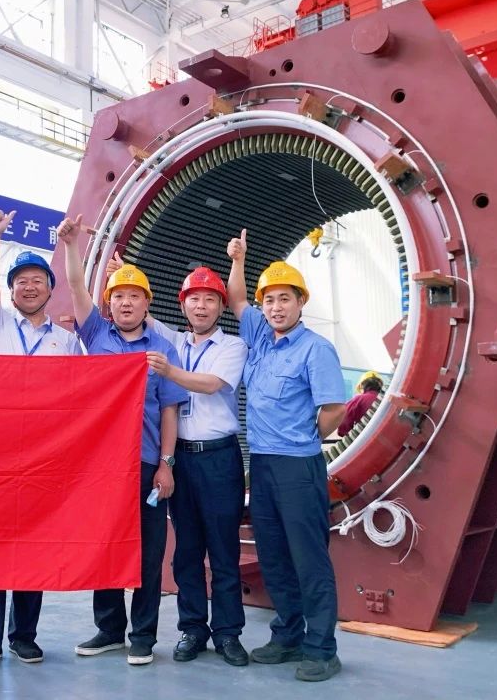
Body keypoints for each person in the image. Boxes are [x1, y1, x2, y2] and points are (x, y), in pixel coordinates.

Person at [0, 211, 82, 671]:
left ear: (50, 289)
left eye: (37, 280)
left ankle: (24, 636)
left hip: (43, 458)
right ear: (10, 291)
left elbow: (78, 396)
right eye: (20, 281)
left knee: (34, 545)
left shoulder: (67, 342)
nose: (29, 287)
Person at [56, 215, 188, 666]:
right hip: (101, 466)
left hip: (146, 463)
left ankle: (143, 636)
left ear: (147, 303)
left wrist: (167, 463)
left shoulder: (162, 350)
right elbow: (76, 286)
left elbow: (169, 410)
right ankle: (109, 629)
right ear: (108, 305)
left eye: (134, 295)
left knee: (149, 553)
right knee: (106, 545)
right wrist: (71, 246)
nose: (126, 302)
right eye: (118, 296)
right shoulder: (96, 334)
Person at [225, 229, 347, 683]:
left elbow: (333, 409)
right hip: (262, 465)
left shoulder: (316, 349)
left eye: (284, 299)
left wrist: (303, 438)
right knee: (274, 554)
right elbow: (237, 299)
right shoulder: (259, 336)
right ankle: (288, 635)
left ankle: (322, 648)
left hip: (298, 466)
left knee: (308, 558)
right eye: (270, 300)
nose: (276, 307)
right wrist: (239, 260)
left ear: (300, 303)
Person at [143, 265, 250, 667]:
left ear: (221, 307)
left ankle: (227, 633)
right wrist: (125, 275)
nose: (201, 306)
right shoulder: (173, 340)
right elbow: (139, 313)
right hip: (180, 459)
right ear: (183, 305)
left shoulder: (233, 346)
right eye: (194, 299)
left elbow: (212, 384)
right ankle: (192, 629)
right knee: (186, 550)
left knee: (223, 548)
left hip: (219, 459)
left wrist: (169, 371)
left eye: (209, 300)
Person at [337, 371, 383, 436]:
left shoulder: (358, 399)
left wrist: (345, 434)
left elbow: (344, 420)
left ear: (362, 386)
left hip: (366, 438)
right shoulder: (386, 400)